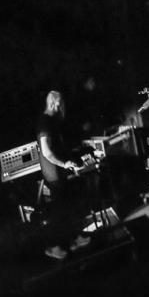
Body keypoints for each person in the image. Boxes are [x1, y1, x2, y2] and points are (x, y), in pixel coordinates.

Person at [37, 90, 94, 260]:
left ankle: (75, 239)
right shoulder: (44, 122)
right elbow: (46, 151)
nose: (63, 109)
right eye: (62, 105)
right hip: (54, 173)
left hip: (56, 172)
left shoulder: (51, 122)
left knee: (67, 206)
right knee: (59, 211)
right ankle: (53, 247)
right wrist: (64, 163)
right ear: (56, 103)